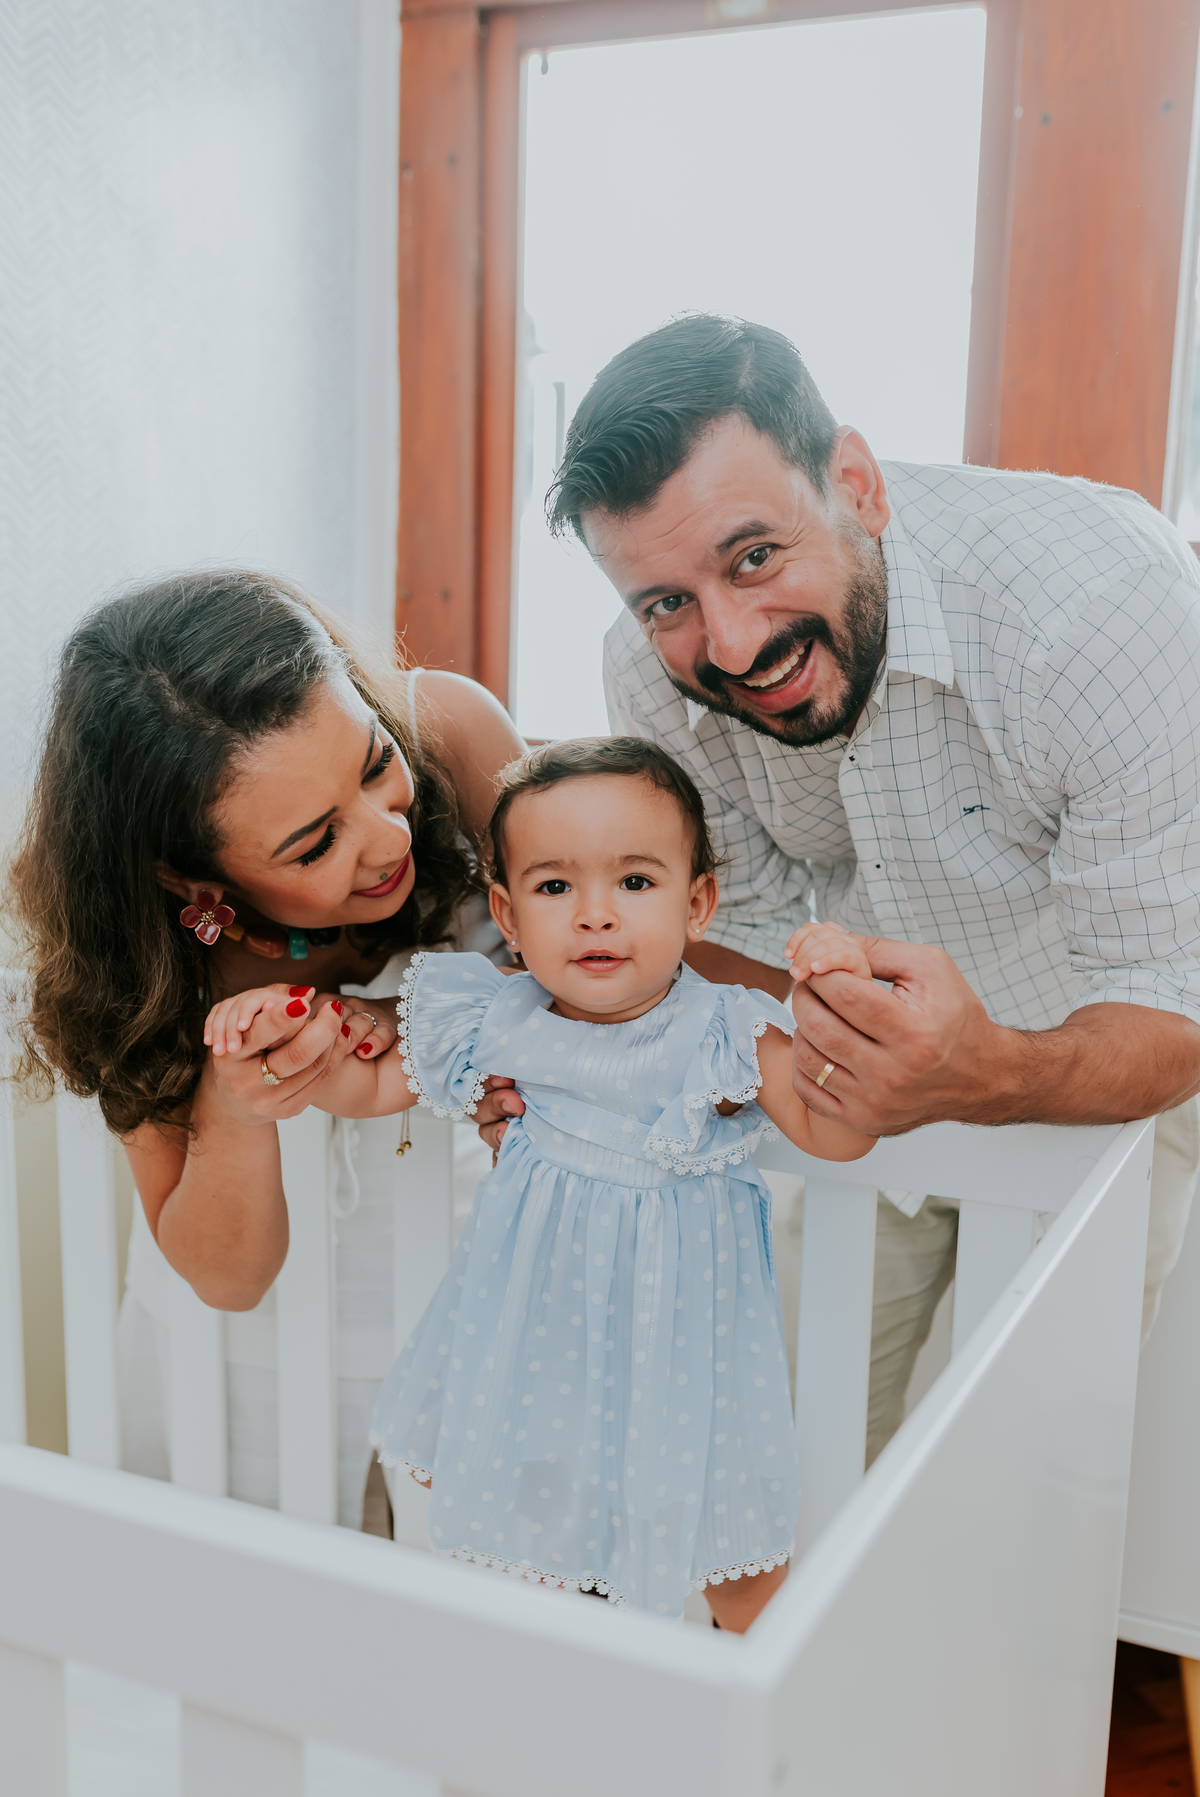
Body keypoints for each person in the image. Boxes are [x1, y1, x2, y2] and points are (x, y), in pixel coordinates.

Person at [538, 313, 1200, 1461]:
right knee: (784, 1455)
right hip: (857, 1085)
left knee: (1029, 1481)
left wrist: (991, 1073)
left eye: (755, 555)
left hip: (1105, 1077)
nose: (732, 644)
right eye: (666, 601)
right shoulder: (649, 677)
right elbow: (721, 933)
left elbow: (1175, 1004)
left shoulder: (1107, 612)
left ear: (856, 482)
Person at [206, 738, 878, 1623]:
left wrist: (841, 1008)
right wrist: (283, 1032)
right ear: (509, 914)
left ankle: (767, 1725)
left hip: (684, 1348)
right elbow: (368, 1082)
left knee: (738, 1557)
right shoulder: (498, 1013)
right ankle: (561, 1713)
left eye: (635, 882)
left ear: (698, 902)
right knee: (539, 1553)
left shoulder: (724, 1029)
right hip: (537, 1341)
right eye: (556, 887)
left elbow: (838, 1133)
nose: (595, 915)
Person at [8, 570, 525, 1527]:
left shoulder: (453, 738)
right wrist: (236, 1108)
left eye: (372, 763)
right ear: (185, 879)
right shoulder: (145, 969)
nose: (386, 836)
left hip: (477, 1315)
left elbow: (597, 959)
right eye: (314, 842)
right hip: (242, 1368)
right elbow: (225, 1276)